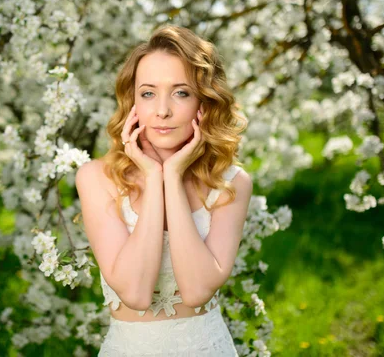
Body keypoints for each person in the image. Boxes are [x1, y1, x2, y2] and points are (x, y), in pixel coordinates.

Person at [75, 25, 253, 356]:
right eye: (148, 93)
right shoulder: (95, 177)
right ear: (132, 101)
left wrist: (172, 175)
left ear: (205, 100)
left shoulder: (231, 182)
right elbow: (136, 293)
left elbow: (198, 289)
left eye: (181, 92)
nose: (162, 110)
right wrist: (152, 177)